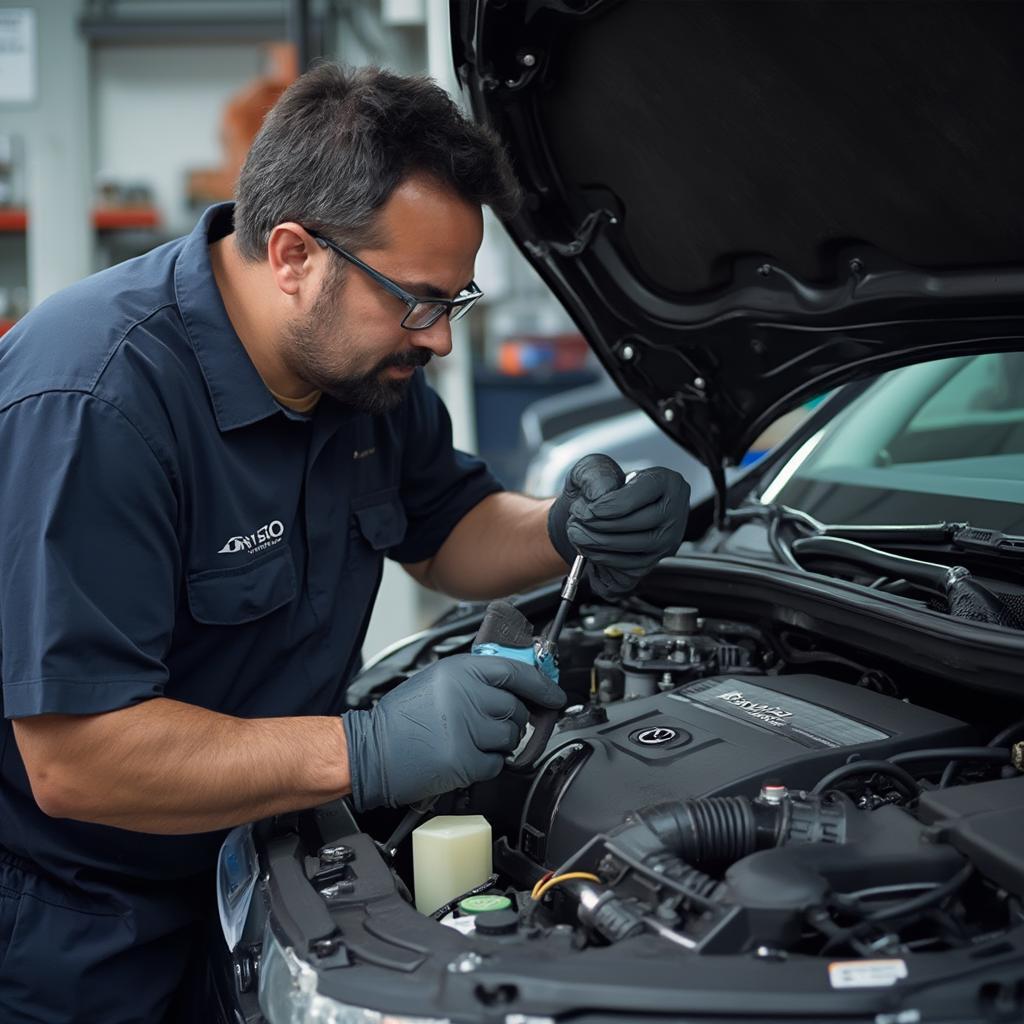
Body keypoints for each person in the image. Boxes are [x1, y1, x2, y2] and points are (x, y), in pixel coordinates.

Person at [0, 64, 689, 1022]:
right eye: (417, 300)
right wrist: (371, 747)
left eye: (456, 301)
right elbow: (78, 760)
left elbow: (446, 530)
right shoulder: (96, 405)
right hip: (79, 932)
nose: (440, 340)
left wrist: (563, 528)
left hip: (261, 873)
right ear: (293, 254)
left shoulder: (363, 374)